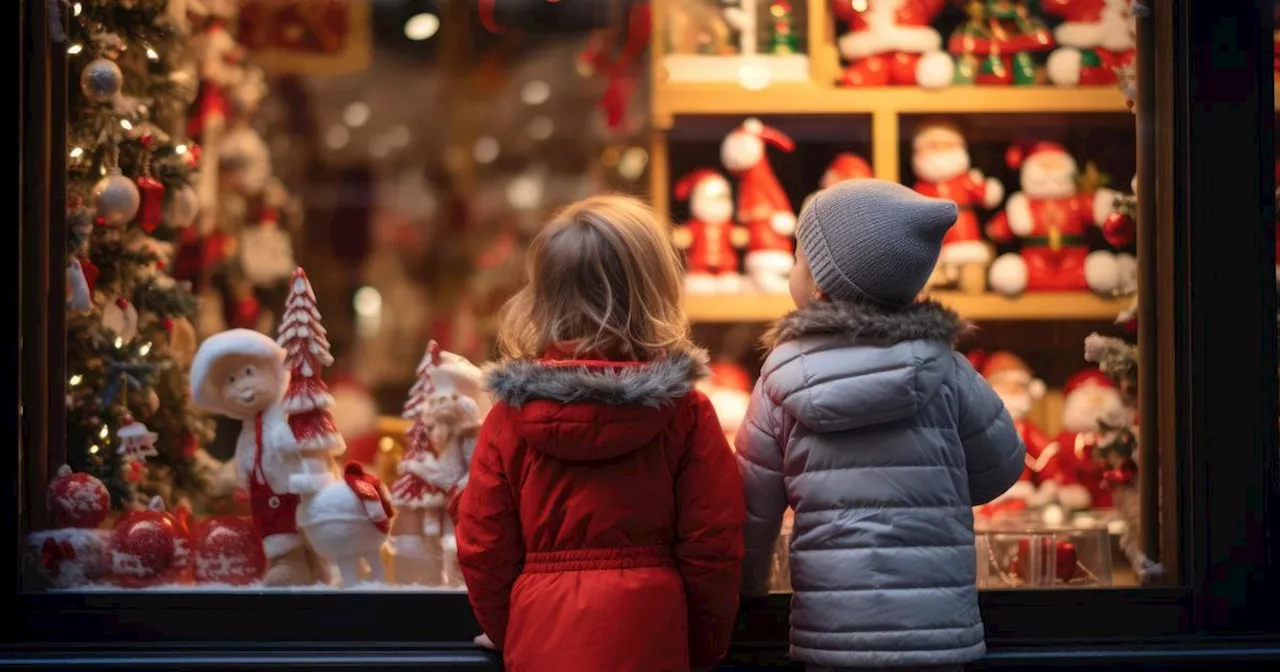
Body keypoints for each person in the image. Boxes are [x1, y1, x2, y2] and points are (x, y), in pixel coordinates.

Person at [737, 180, 1026, 672]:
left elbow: (752, 506)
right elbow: (1000, 468)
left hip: (831, 631)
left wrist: (750, 589)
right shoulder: (947, 371)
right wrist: (940, 488)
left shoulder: (781, 380)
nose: (791, 270)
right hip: (937, 632)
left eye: (797, 259)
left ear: (822, 284)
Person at [455, 195, 746, 672]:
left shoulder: (509, 419)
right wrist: (701, 647)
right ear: (657, 291)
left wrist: (517, 632)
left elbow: (483, 547)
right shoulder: (685, 414)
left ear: (542, 297)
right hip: (655, 639)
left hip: (541, 642)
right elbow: (713, 546)